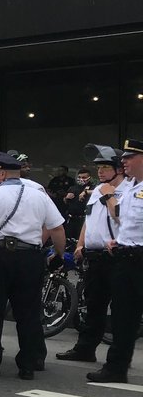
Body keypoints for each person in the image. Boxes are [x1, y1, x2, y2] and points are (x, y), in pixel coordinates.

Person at [0, 151, 66, 380]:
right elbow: (57, 228)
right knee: (28, 313)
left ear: (1, 173)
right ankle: (28, 365)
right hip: (29, 257)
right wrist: (59, 255)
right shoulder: (39, 195)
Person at [57, 145, 124, 365]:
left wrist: (109, 195)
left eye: (106, 167)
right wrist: (80, 244)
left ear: (119, 168)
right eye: (99, 167)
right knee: (94, 305)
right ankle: (85, 349)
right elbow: (89, 219)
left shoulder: (128, 191)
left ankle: (118, 358)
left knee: (120, 308)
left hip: (117, 256)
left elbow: (122, 218)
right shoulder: (98, 190)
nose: (100, 171)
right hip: (94, 255)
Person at [87, 138, 143, 383]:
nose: (124, 162)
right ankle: (116, 368)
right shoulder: (130, 188)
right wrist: (118, 241)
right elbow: (125, 220)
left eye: (129, 157)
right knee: (123, 317)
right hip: (126, 258)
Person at [62, 167, 94, 238]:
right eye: (79, 177)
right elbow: (65, 202)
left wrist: (86, 192)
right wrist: (66, 198)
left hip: (84, 219)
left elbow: (99, 192)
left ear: (89, 178)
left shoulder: (92, 188)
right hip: (71, 219)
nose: (81, 179)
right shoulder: (73, 188)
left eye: (84, 177)